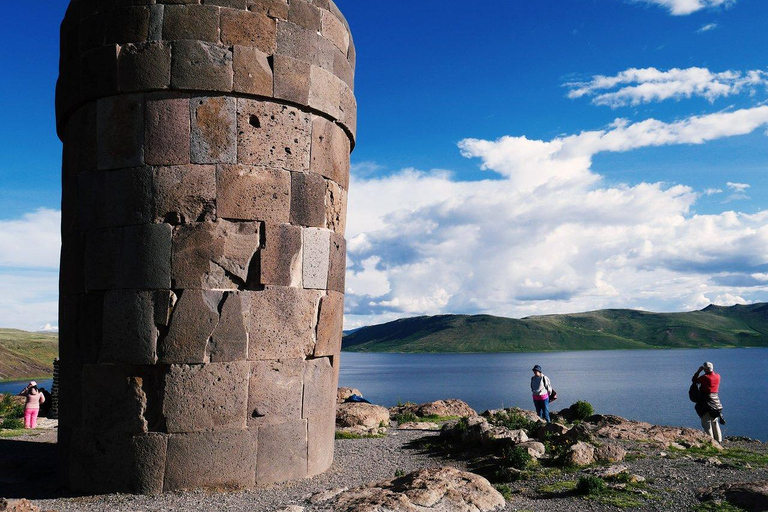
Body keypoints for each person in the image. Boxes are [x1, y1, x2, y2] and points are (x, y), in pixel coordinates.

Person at [692, 362, 724, 443]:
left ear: (705, 369)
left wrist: (698, 371)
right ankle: (719, 441)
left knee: (706, 423)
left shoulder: (705, 377)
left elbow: (694, 380)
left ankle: (711, 443)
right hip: (716, 402)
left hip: (706, 402)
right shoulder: (718, 376)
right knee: (715, 422)